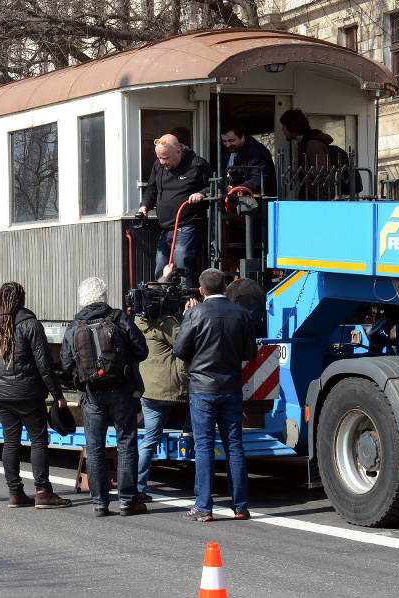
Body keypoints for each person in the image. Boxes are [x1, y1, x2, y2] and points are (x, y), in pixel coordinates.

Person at [0, 282, 72, 509]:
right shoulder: (30, 325)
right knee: (38, 440)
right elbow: (45, 365)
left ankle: (15, 493)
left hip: (1, 396)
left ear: (0, 300)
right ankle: (43, 492)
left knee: (10, 442)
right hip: (28, 395)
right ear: (22, 300)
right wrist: (58, 394)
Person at [173, 268, 257, 521]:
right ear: (225, 288)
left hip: (202, 389)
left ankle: (204, 507)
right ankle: (240, 506)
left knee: (204, 447)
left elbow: (179, 349)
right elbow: (250, 353)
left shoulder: (194, 313)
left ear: (201, 290)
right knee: (234, 446)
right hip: (231, 387)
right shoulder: (242, 314)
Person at [61, 277, 149, 517]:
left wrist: (87, 375)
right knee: (127, 444)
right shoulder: (119, 318)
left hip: (92, 395)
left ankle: (100, 503)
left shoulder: (75, 325)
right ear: (105, 297)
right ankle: (128, 501)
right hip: (122, 390)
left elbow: (67, 363)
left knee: (95, 447)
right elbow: (142, 350)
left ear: (82, 300)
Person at [134, 279, 189, 502]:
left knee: (149, 439)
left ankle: (137, 486)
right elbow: (187, 340)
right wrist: (188, 316)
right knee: (199, 398)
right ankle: (189, 430)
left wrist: (164, 276)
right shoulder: (167, 323)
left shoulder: (138, 322)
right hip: (170, 388)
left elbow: (153, 291)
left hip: (148, 390)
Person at [138, 133, 213, 287]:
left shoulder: (198, 165)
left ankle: (188, 301)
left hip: (188, 223)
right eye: (159, 157)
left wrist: (201, 193)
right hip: (167, 227)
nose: (162, 162)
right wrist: (144, 206)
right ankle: (161, 302)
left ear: (178, 153)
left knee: (181, 261)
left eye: (165, 158)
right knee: (161, 266)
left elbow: (215, 186)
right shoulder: (158, 166)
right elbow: (151, 189)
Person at [279, 108, 333, 201]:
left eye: (284, 125)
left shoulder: (312, 145)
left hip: (317, 203)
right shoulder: (304, 145)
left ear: (292, 127)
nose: (283, 129)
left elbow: (325, 175)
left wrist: (323, 203)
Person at [220, 120, 277, 197]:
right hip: (234, 202)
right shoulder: (227, 151)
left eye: (231, 141)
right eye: (224, 141)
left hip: (255, 203)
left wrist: (234, 189)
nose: (228, 145)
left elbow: (258, 181)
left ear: (242, 137)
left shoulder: (258, 152)